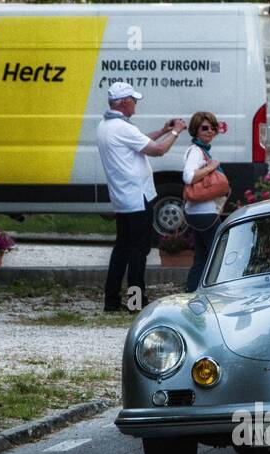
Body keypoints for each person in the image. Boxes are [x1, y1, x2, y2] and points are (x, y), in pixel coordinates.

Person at [96, 81, 186, 311]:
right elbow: (157, 151)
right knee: (139, 253)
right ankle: (136, 302)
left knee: (121, 250)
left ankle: (111, 301)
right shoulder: (123, 128)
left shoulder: (106, 125)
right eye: (133, 100)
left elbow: (139, 140)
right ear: (124, 102)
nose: (135, 104)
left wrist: (163, 130)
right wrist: (176, 132)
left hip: (123, 198)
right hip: (137, 198)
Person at [182, 110, 224, 292]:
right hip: (205, 214)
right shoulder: (196, 152)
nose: (210, 131)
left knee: (201, 258)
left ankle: (191, 294)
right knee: (219, 256)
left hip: (199, 213)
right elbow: (188, 176)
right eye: (205, 128)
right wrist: (211, 167)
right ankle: (214, 293)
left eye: (213, 128)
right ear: (195, 130)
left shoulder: (201, 151)